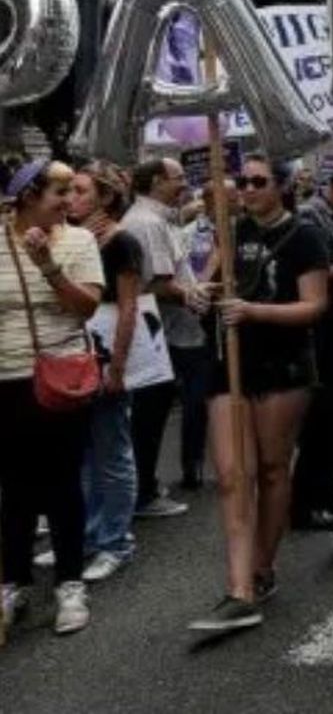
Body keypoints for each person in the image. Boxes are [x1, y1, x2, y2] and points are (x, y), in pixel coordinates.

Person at [189, 155, 330, 633]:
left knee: (271, 469)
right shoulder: (230, 232)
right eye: (241, 181)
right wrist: (198, 294)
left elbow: (314, 306)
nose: (246, 189)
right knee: (232, 476)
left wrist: (254, 311)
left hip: (283, 366)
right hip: (228, 364)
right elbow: (206, 283)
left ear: (282, 187)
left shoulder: (305, 235)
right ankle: (238, 589)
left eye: (257, 182)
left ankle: (263, 568)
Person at [0, 160, 105, 635]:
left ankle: (69, 583)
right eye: (58, 193)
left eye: (70, 192)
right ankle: (13, 580)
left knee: (63, 483)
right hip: (7, 378)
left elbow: (86, 307)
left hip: (62, 377)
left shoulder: (79, 241)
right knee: (14, 486)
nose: (68, 202)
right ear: (26, 198)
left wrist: (47, 267)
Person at [72, 163, 162, 585]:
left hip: (107, 350)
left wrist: (120, 364)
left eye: (78, 190)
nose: (69, 198)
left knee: (112, 447)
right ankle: (89, 535)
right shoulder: (70, 239)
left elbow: (128, 306)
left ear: (104, 198)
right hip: (74, 352)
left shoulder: (120, 241)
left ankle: (117, 541)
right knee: (84, 451)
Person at [122, 158, 210, 515]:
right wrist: (193, 295)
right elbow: (157, 283)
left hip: (170, 331)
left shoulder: (156, 218)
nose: (185, 185)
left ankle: (144, 485)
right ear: (157, 181)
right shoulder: (146, 223)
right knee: (149, 415)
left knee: (153, 412)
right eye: (178, 179)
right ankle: (142, 491)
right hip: (161, 333)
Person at [292, 161, 333, 533]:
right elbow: (317, 271)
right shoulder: (310, 217)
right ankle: (308, 502)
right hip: (318, 328)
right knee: (321, 417)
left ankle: (327, 494)